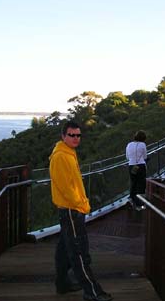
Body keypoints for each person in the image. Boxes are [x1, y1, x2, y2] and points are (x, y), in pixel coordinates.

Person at [49, 120, 113, 301]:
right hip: (71, 210)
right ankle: (92, 291)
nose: (76, 138)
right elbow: (65, 188)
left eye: (78, 135)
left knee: (64, 249)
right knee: (79, 251)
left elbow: (71, 184)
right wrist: (80, 204)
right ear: (63, 136)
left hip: (71, 208)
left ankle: (62, 284)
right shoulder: (61, 156)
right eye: (72, 135)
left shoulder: (69, 153)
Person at [126, 130, 148, 211]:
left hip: (131, 166)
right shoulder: (143, 144)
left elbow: (127, 157)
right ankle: (140, 204)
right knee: (141, 184)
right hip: (141, 166)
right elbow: (145, 156)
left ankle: (131, 199)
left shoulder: (129, 144)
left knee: (133, 183)